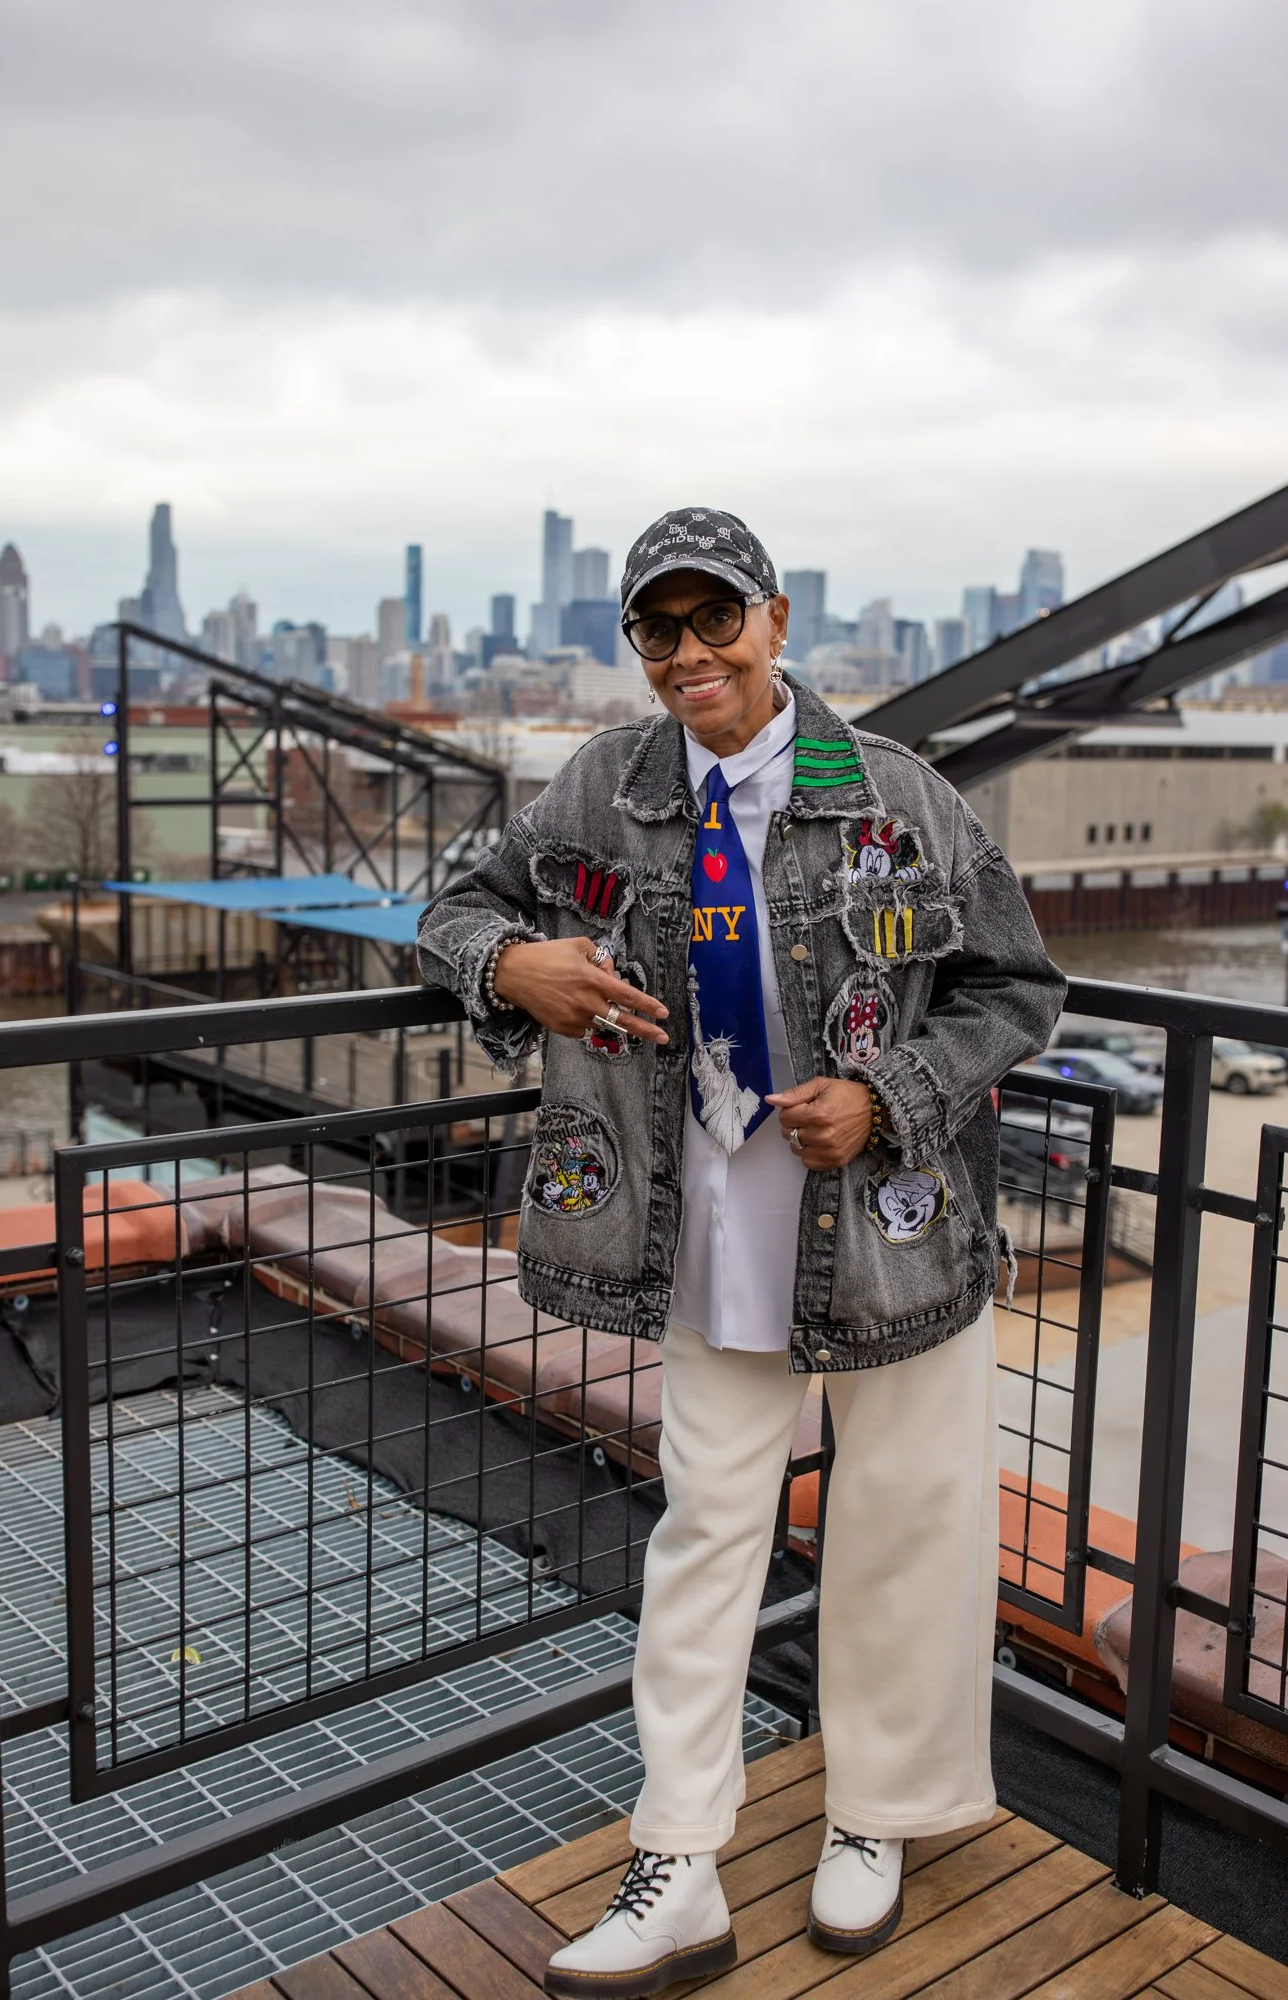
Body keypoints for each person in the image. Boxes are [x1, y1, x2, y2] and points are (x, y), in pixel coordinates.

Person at [417, 507, 1066, 1998]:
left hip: (894, 1240)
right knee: (705, 1541)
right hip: (704, 1241)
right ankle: (679, 1864)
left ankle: (876, 1815)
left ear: (775, 620)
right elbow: (455, 909)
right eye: (660, 629)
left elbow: (1019, 989)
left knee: (901, 1532)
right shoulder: (605, 786)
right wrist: (511, 963)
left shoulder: (895, 792)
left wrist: (890, 1096)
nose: (690, 653)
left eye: (718, 620)